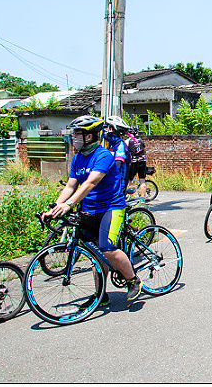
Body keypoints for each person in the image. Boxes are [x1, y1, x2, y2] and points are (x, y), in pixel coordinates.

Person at [44, 115, 142, 304]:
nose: (74, 138)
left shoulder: (103, 155)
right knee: (95, 254)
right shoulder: (77, 158)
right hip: (90, 210)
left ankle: (132, 280)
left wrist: (69, 204)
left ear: (89, 136)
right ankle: (100, 295)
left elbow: (90, 183)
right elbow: (70, 187)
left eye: (77, 134)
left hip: (111, 208)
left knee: (107, 248)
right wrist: (56, 207)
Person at [103, 115, 131, 188]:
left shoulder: (120, 146)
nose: (106, 132)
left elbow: (117, 168)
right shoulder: (113, 146)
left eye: (108, 128)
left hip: (117, 187)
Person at [125, 125, 148, 198]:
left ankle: (130, 197)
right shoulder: (140, 140)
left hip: (133, 162)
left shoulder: (128, 141)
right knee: (142, 181)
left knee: (130, 180)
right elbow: (144, 151)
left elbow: (125, 152)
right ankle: (142, 198)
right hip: (142, 161)